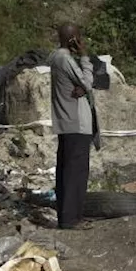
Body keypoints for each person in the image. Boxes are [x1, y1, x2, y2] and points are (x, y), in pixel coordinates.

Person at [49, 24, 96, 230]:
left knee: (69, 171)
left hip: (69, 123)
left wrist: (82, 86)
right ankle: (70, 219)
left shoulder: (58, 59)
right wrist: (84, 56)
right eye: (78, 37)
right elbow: (87, 82)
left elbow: (81, 85)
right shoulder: (64, 59)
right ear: (73, 39)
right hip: (75, 123)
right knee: (75, 173)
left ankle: (71, 216)